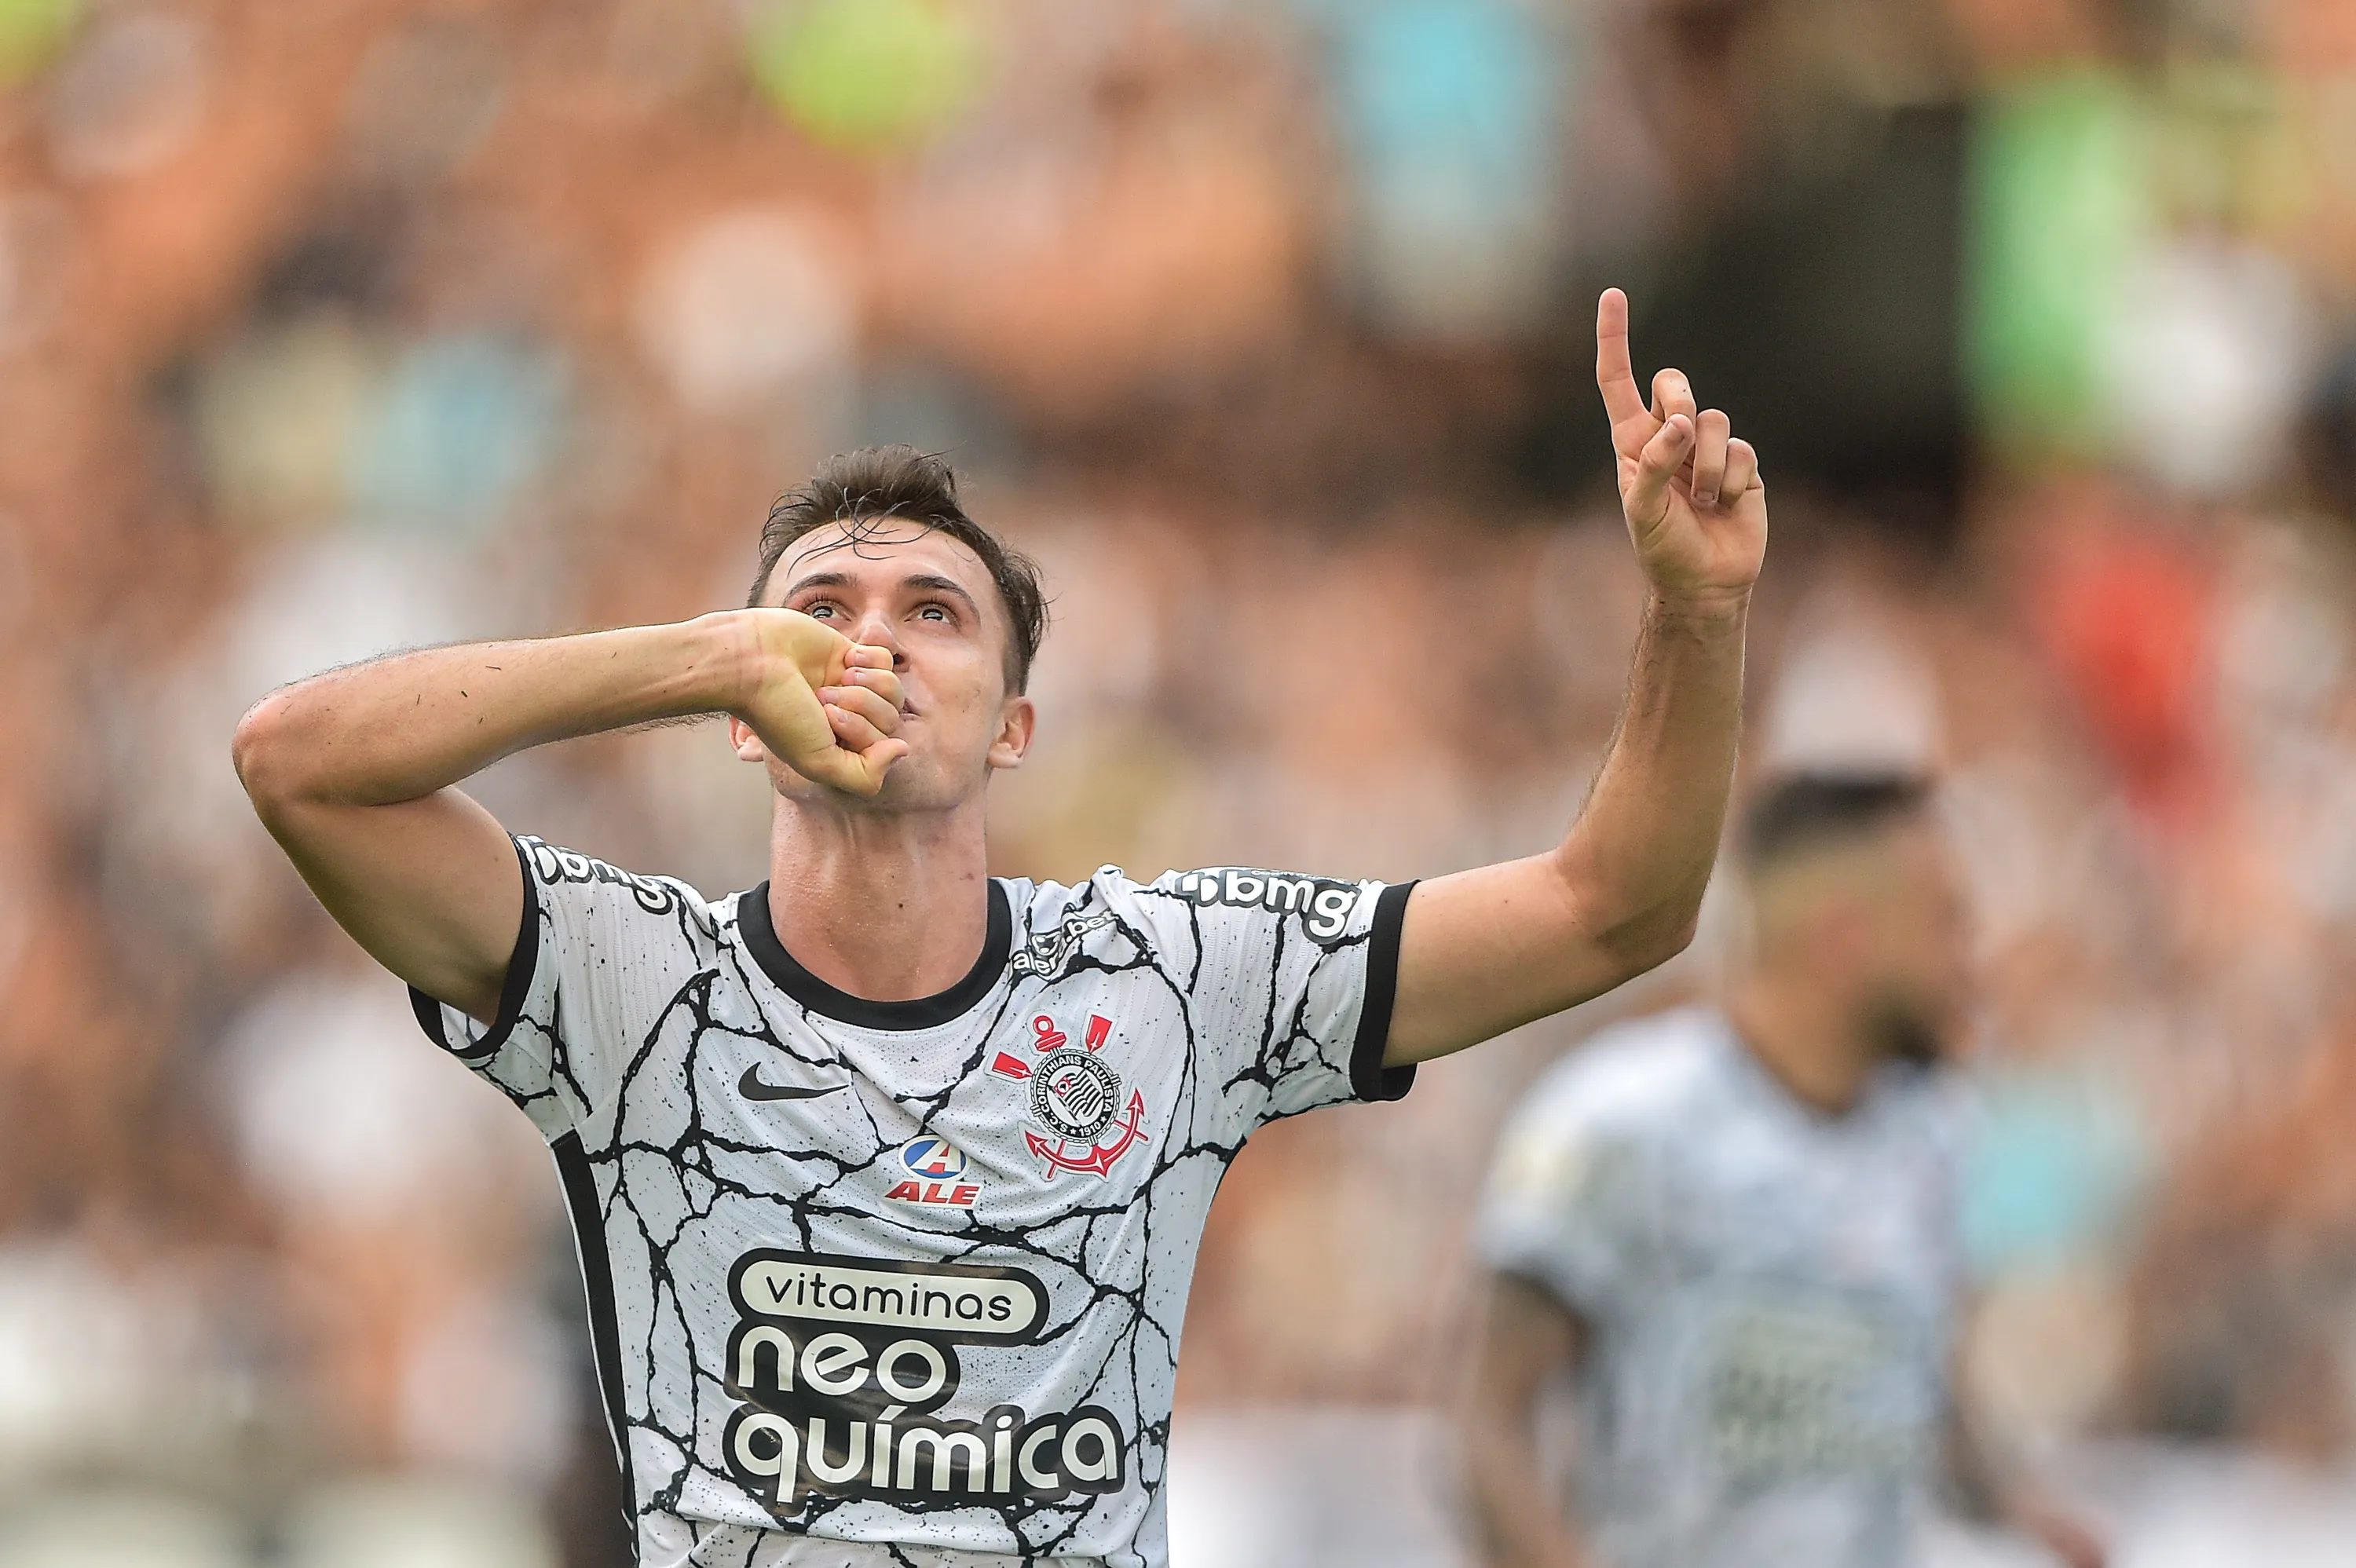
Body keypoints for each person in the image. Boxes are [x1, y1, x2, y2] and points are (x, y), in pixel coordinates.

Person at [230, 291, 1764, 1567]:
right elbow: (299, 762)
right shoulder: (637, 977)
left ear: (1015, 726)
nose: (872, 635)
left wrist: (1693, 617)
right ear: (744, 717)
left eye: (935, 609)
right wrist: (695, 651)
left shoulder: (1177, 975)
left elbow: (1612, 906)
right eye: (820, 604)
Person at [1460, 773, 2108, 1568]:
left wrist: (2018, 1508)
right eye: (1946, 922)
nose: (1972, 962)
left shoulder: (1935, 1134)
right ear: (1840, 936)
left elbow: (1914, 1385)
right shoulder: (1620, 1123)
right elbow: (1490, 1418)